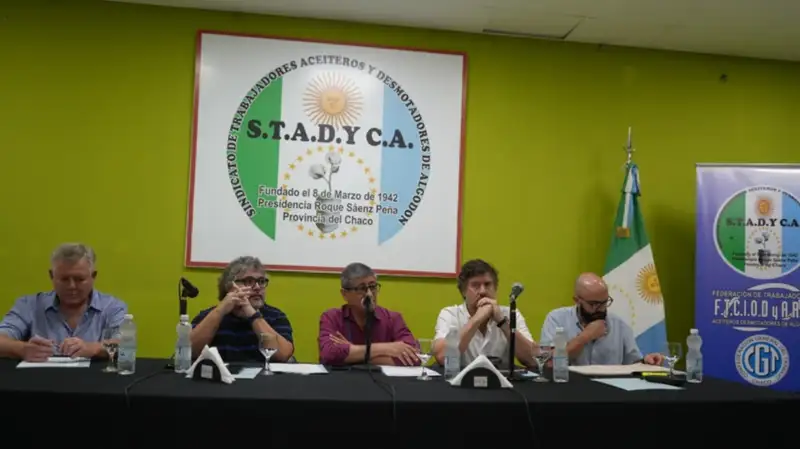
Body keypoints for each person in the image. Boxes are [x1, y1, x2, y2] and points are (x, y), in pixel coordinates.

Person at [0, 243, 127, 361]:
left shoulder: (112, 307)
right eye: (64, 279)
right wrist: (21, 349)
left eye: (79, 279)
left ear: (93, 276)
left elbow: (125, 345)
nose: (72, 286)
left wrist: (93, 348)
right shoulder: (29, 305)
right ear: (52, 276)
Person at [540, 272, 664, 366]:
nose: (600, 309)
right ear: (577, 300)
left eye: (604, 303)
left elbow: (633, 364)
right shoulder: (557, 319)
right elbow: (549, 363)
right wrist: (585, 337)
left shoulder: (619, 325)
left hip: (611, 389)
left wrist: (646, 361)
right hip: (570, 388)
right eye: (593, 304)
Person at [433, 259, 538, 368]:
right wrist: (477, 319)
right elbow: (442, 357)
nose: (483, 291)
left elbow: (533, 360)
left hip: (500, 378)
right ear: (463, 291)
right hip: (460, 378)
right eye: (475, 285)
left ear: (495, 288)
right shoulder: (450, 314)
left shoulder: (510, 314)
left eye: (487, 284)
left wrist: (502, 322)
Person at [190, 256, 294, 363]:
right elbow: (190, 351)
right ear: (230, 286)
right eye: (249, 281)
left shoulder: (276, 316)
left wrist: (252, 314)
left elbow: (284, 355)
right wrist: (220, 310)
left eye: (261, 281)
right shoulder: (209, 316)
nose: (257, 287)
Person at [318, 262, 419, 366]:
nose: (370, 294)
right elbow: (329, 355)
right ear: (345, 294)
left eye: (373, 287)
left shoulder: (393, 318)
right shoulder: (331, 318)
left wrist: (352, 352)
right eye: (362, 288)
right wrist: (386, 348)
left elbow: (414, 358)